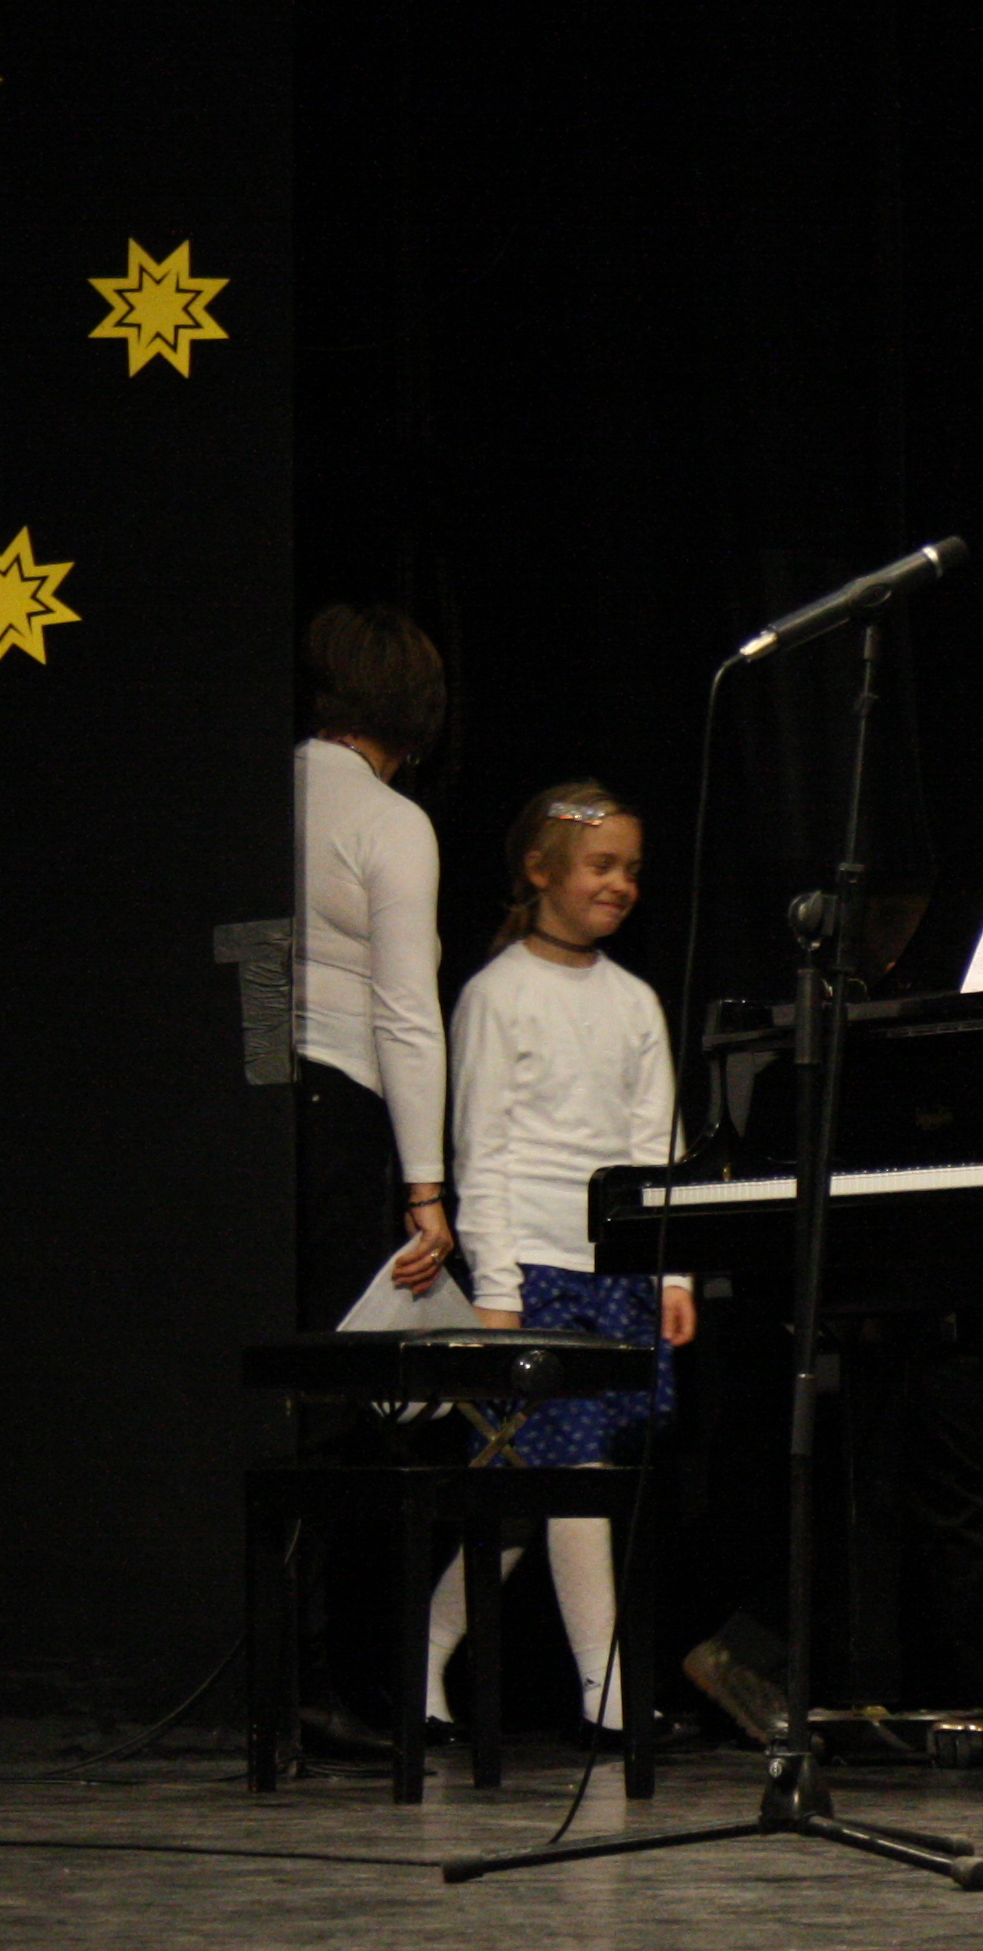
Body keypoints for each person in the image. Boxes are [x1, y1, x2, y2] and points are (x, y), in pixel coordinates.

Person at [418, 780, 698, 1748]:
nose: (619, 884)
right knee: (559, 1477)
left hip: (612, 1277)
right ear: (540, 872)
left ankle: (428, 1654)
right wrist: (497, 1290)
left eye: (631, 870)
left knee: (550, 1489)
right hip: (532, 1273)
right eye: (599, 866)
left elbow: (656, 1145)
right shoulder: (497, 995)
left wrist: (670, 1274)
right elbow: (480, 1153)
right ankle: (604, 1693)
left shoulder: (634, 1001)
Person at [292, 603, 454, 1316]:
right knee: (336, 1346)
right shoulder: (389, 820)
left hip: (252, 1102)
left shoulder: (264, 789)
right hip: (342, 1117)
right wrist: (425, 1189)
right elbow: (405, 1010)